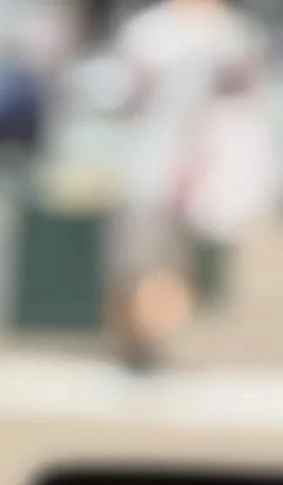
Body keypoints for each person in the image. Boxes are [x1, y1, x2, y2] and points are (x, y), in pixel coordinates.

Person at [109, 0, 276, 366]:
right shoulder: (149, 32)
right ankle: (137, 342)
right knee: (137, 266)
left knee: (178, 271)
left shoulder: (233, 33)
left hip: (207, 178)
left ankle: (153, 342)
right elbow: (129, 95)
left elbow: (244, 108)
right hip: (152, 170)